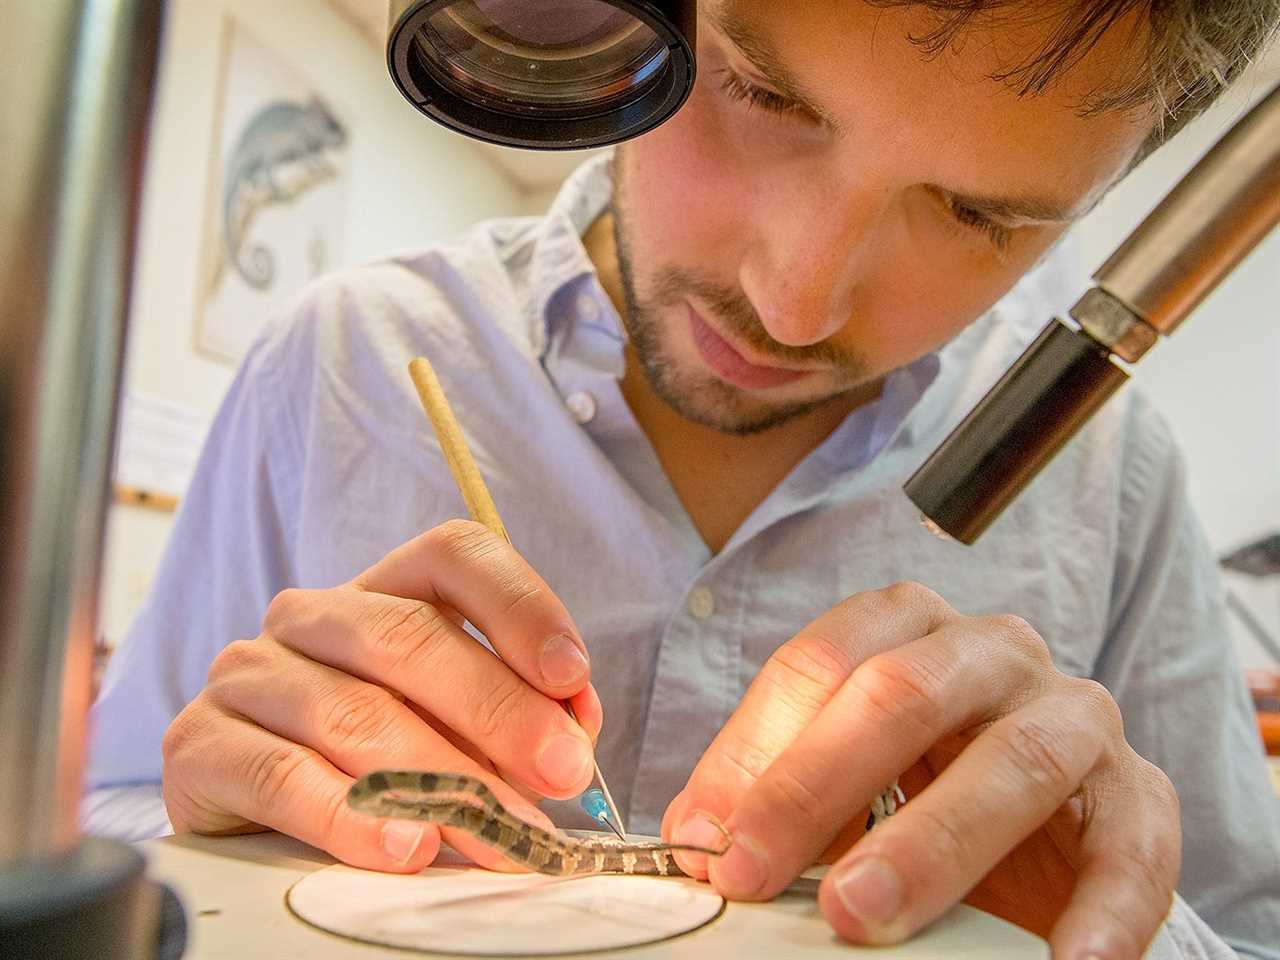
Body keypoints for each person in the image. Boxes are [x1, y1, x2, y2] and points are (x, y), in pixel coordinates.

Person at [87, 2, 1280, 958]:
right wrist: (209, 841)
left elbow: (1238, 934)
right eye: (761, 95)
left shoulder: (1109, 472)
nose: (792, 303)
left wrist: (1094, 927)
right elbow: (113, 821)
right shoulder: (341, 357)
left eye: (977, 212)